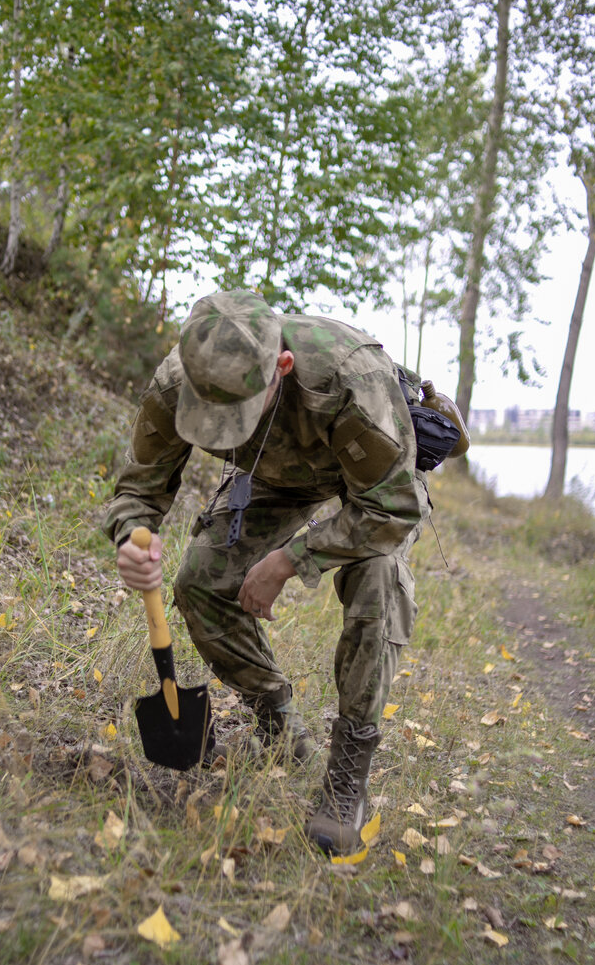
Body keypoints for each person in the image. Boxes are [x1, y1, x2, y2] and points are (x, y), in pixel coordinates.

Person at [103, 290, 462, 856]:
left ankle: (347, 778)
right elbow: (139, 488)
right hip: (276, 478)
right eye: (210, 417)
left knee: (375, 583)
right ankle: (279, 726)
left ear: (283, 367)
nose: (225, 429)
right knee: (200, 582)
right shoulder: (179, 380)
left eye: (238, 413)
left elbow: (391, 509)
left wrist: (292, 559)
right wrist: (130, 536)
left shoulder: (349, 377)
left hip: (367, 482)